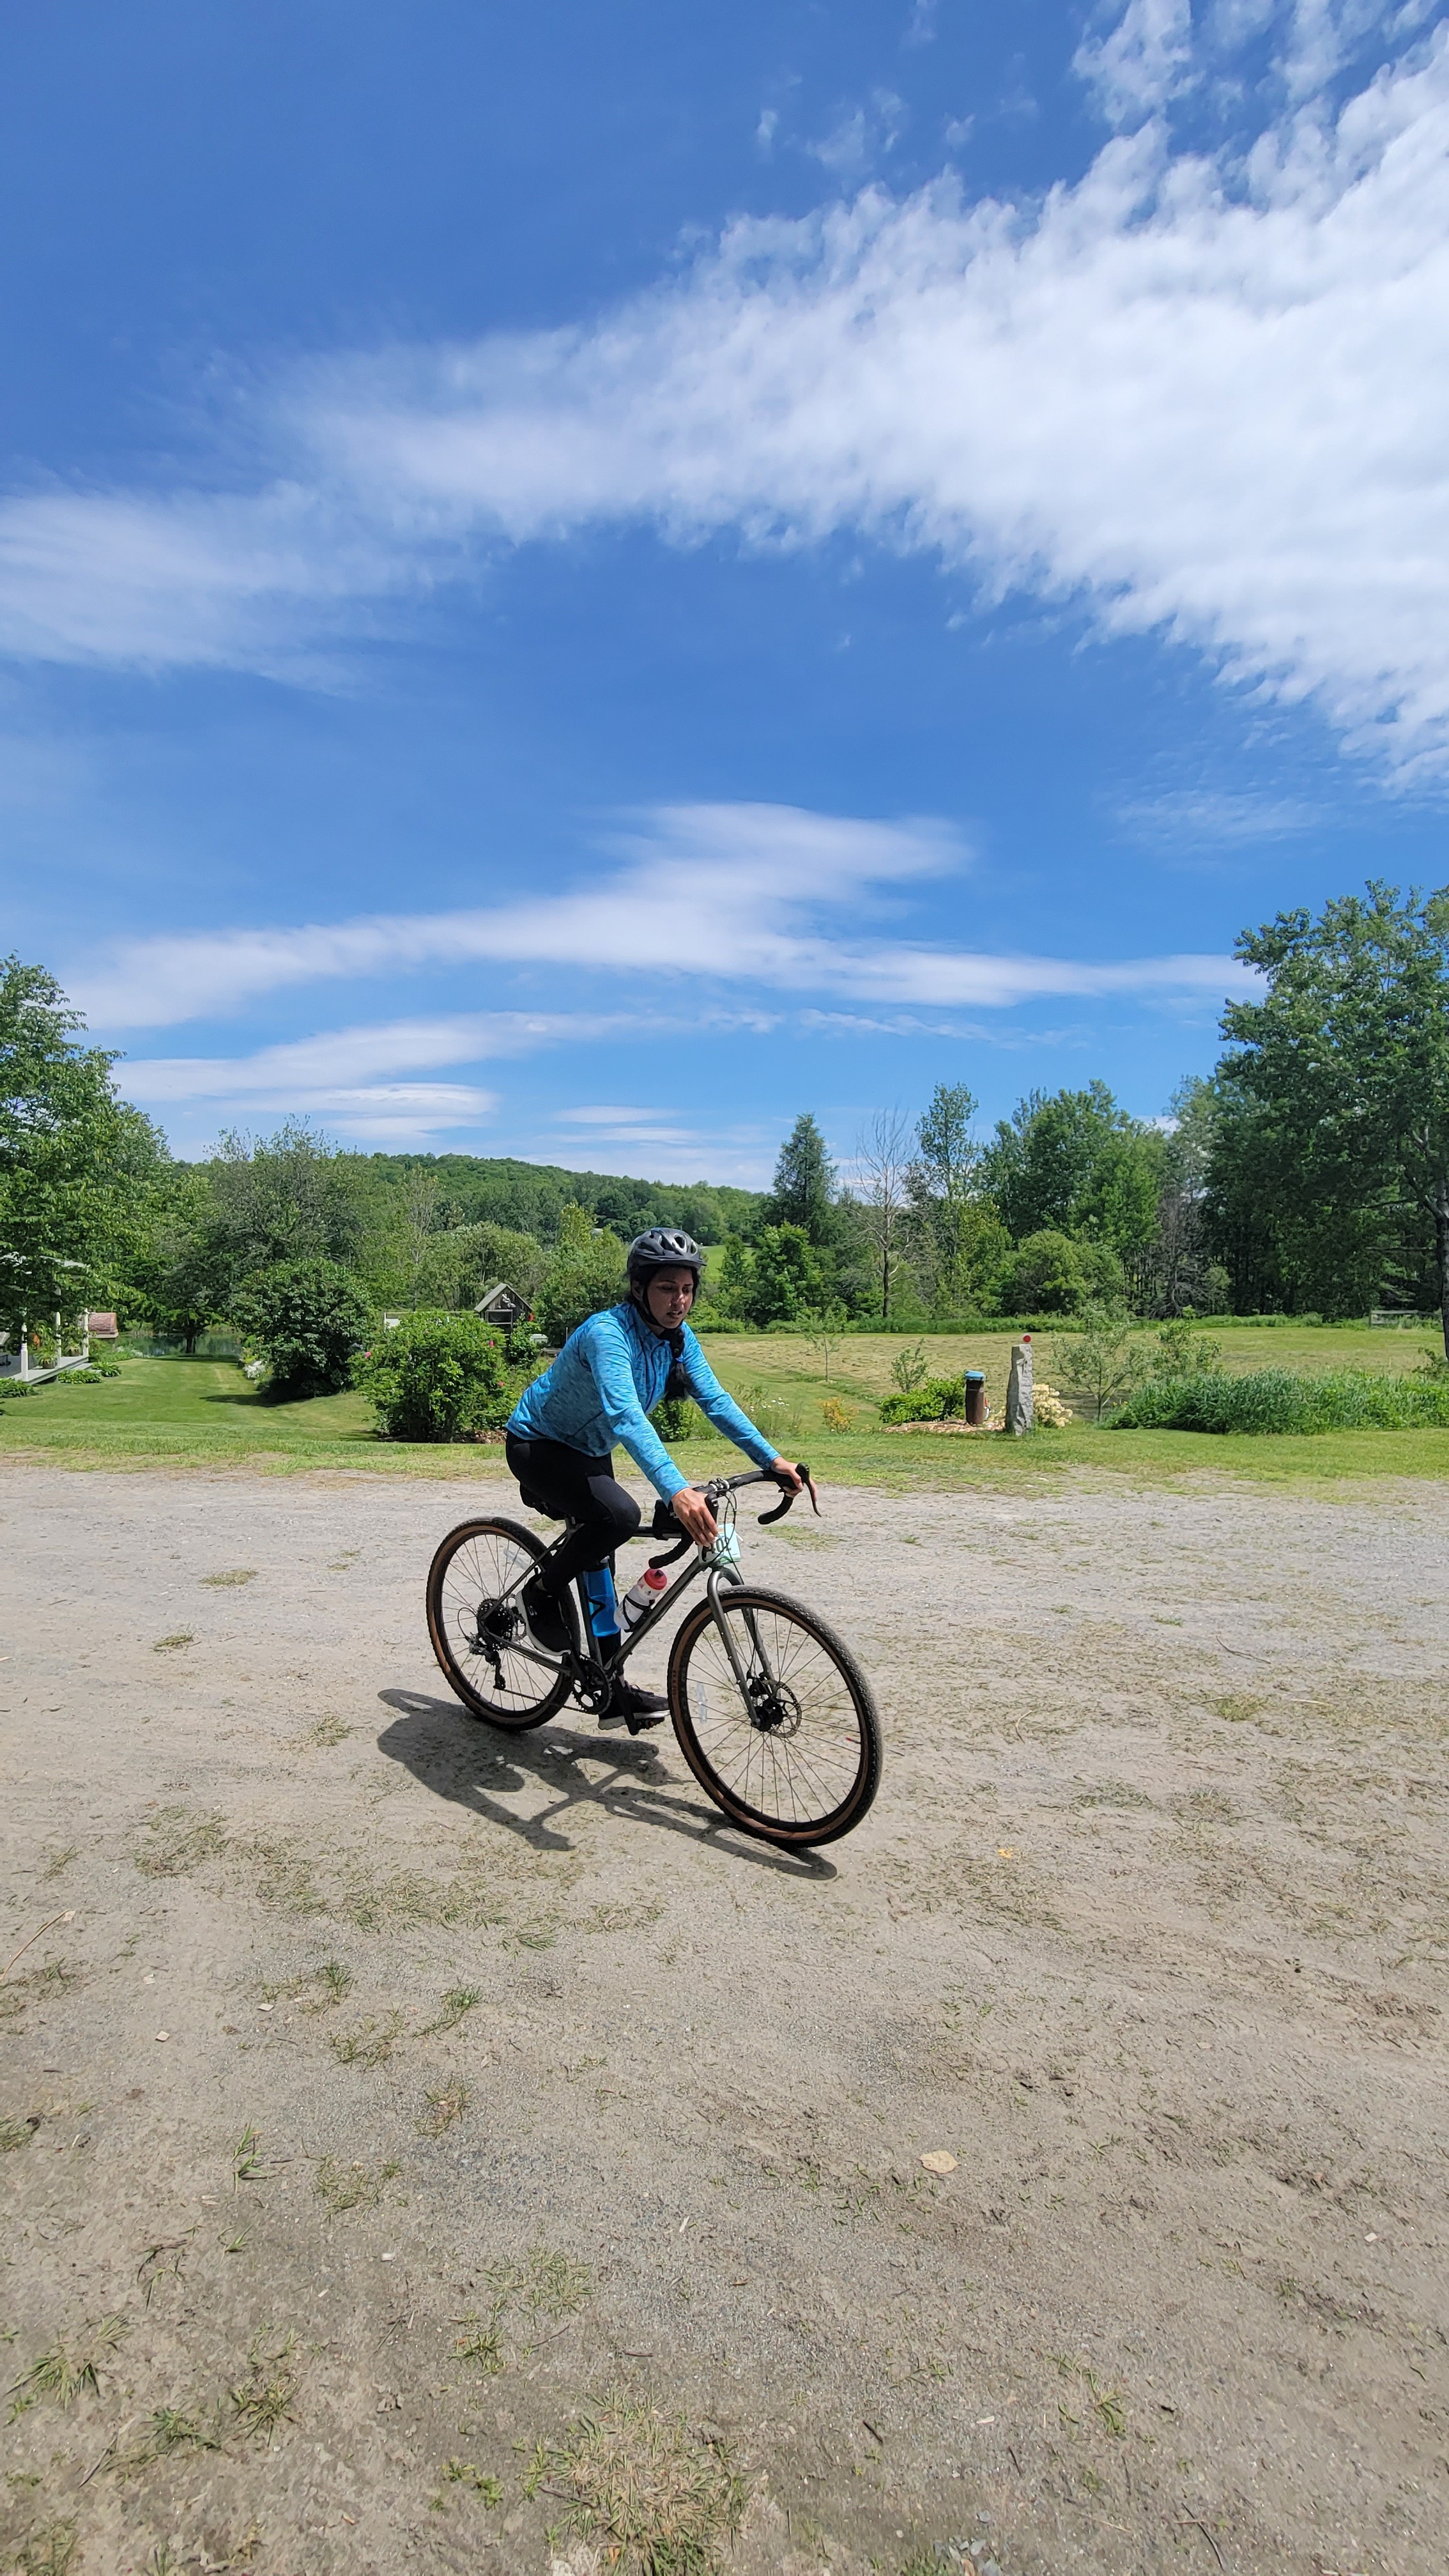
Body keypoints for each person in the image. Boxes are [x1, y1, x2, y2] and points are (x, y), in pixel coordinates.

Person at [504, 1226, 802, 1731]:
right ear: (640, 1288)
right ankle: (539, 1592)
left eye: (686, 1289)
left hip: (591, 1450)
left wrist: (772, 1460)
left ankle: (608, 1689)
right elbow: (626, 1416)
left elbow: (717, 1402)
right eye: (667, 1288)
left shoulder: (679, 1342)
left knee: (603, 1550)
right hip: (539, 1445)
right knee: (619, 1516)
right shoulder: (608, 1333)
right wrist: (676, 1489)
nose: (678, 1301)